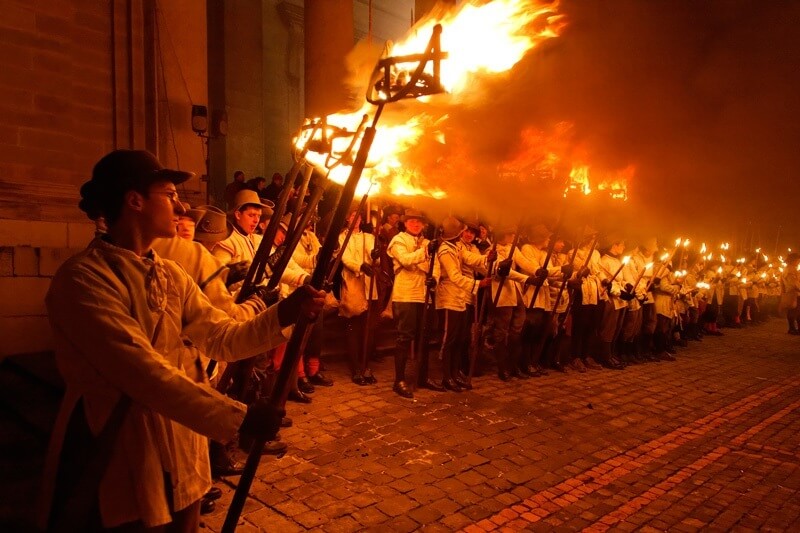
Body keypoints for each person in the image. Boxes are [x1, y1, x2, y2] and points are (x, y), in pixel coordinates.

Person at [40, 150, 324, 531]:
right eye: (170, 193)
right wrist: (238, 418)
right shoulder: (82, 280)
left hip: (184, 445)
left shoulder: (170, 273)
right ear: (135, 200)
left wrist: (284, 313)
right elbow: (142, 373)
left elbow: (222, 337)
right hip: (123, 451)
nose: (181, 204)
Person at [435, 216, 492, 391]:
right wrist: (477, 284)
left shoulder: (455, 247)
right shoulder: (445, 249)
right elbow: (454, 276)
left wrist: (486, 258)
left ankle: (454, 372)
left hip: (459, 297)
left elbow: (470, 258)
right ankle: (446, 376)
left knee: (460, 338)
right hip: (448, 297)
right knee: (449, 339)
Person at [387, 209, 440, 398]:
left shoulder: (427, 242)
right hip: (405, 294)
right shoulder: (398, 240)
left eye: (419, 222)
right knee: (404, 337)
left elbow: (436, 266)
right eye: (412, 221)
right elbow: (405, 259)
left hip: (423, 294)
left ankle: (422, 376)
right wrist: (425, 254)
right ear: (405, 223)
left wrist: (434, 278)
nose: (416, 224)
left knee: (424, 337)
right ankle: (399, 380)